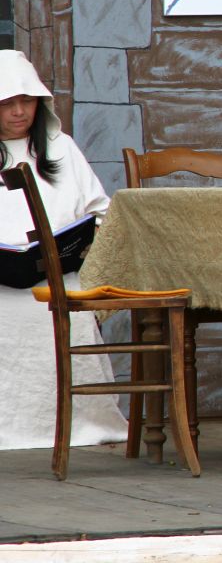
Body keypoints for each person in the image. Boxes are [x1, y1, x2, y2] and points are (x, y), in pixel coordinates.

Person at [0, 50, 128, 450]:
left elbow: (101, 212)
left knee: (66, 301)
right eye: (7, 103)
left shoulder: (61, 148)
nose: (19, 112)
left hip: (61, 277)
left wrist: (82, 240)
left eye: (27, 101)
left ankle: (82, 421)